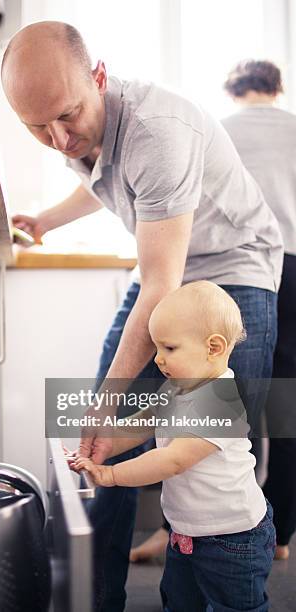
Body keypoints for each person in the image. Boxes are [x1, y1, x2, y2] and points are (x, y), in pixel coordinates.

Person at [1, 22, 283, 611]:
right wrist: (46, 221)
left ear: (99, 78)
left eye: (67, 115)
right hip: (163, 267)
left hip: (233, 271)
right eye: (36, 126)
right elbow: (102, 182)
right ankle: (98, 599)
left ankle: (228, 582)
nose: (57, 136)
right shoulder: (78, 131)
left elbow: (160, 286)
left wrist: (108, 397)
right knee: (103, 438)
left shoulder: (158, 130)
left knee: (212, 442)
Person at [73, 281, 276, 612]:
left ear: (213, 347)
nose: (158, 359)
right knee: (180, 601)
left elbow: (173, 461)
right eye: (156, 347)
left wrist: (110, 475)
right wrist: (106, 445)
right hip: (187, 534)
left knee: (235, 607)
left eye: (169, 348)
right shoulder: (178, 386)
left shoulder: (220, 402)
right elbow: (146, 422)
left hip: (232, 539)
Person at [222, 59, 296, 561]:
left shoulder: (218, 131)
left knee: (220, 400)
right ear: (277, 88)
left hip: (241, 268)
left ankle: (212, 526)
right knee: (288, 407)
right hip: (294, 268)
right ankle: (283, 536)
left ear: (234, 91)